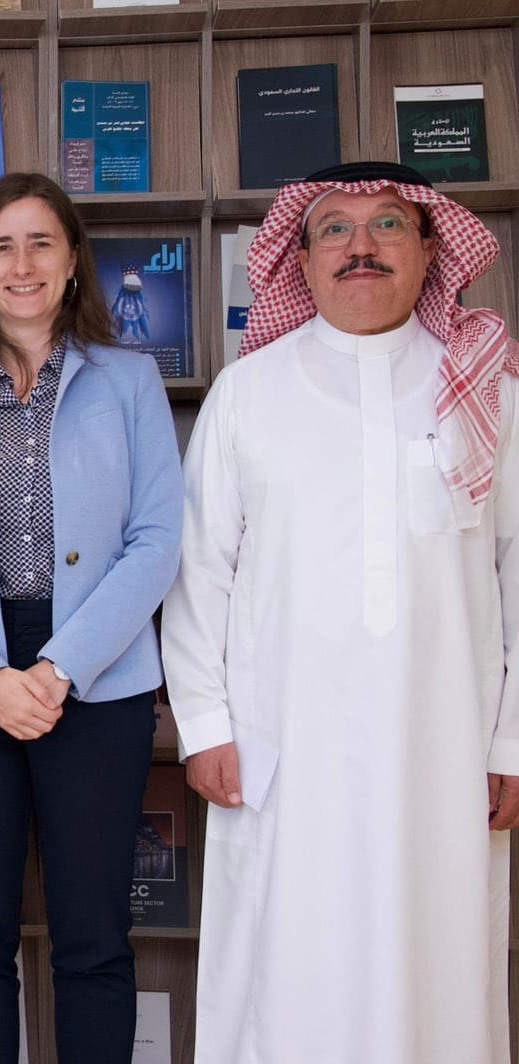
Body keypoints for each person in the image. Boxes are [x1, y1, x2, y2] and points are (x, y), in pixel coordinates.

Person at [162, 160, 519, 1062]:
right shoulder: (249, 393)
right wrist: (204, 727)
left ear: (430, 249)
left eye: (388, 224)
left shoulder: (489, 390)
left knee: (438, 963)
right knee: (288, 967)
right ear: (301, 259)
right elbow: (199, 572)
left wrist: (512, 742)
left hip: (444, 750)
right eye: (335, 229)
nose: (362, 247)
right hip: (285, 748)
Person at [0, 172, 182, 1063]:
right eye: (2, 247)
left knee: (93, 934)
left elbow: (157, 540)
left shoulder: (130, 380)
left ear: (73, 261)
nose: (23, 264)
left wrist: (60, 669)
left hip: (96, 676)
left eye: (41, 243)